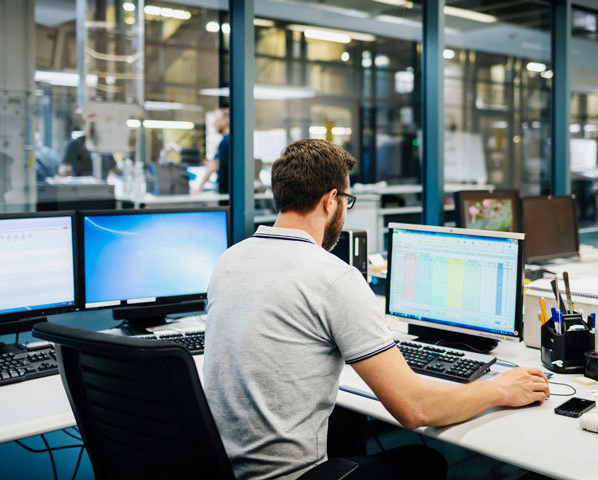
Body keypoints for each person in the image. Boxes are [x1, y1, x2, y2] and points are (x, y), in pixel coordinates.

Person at [203, 139, 550, 480]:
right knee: (424, 461)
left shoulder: (229, 260)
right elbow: (416, 410)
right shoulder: (332, 277)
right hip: (292, 475)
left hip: (223, 467)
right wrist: (501, 389)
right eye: (347, 200)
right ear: (330, 201)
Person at [194, 108, 229, 193]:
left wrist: (199, 188)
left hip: (226, 191)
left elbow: (213, 166)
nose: (214, 124)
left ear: (226, 121)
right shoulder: (230, 141)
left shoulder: (226, 141)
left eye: (217, 121)